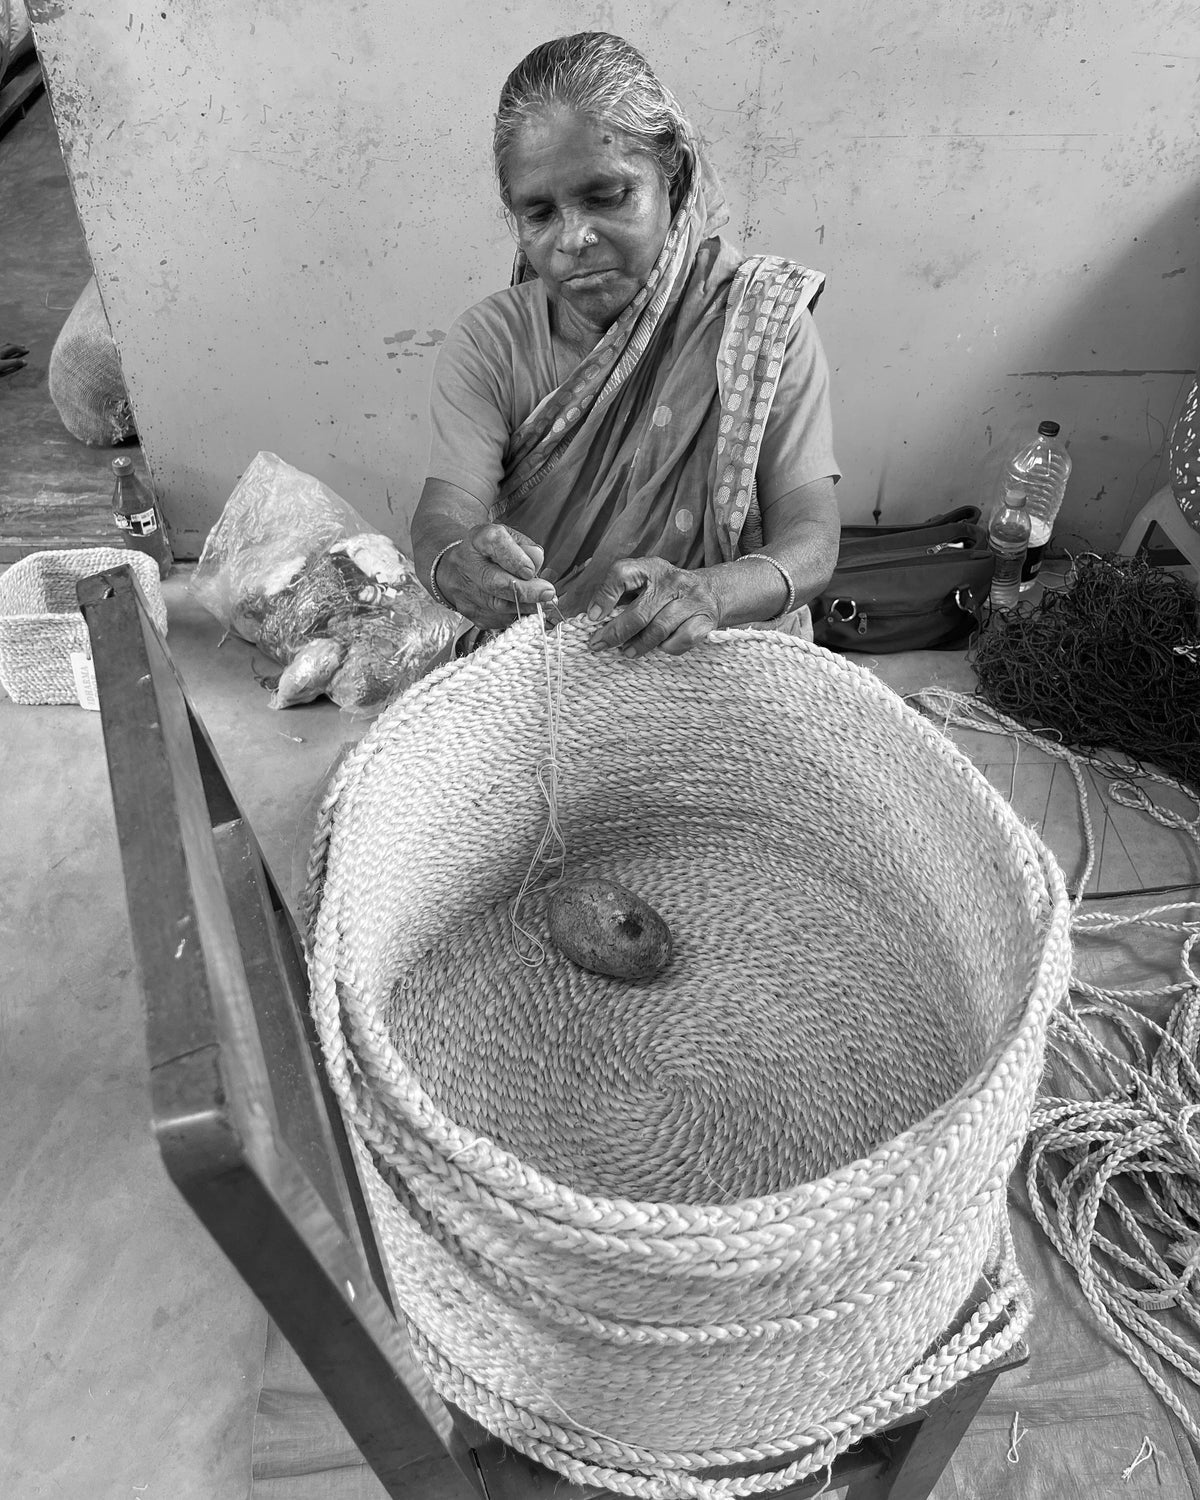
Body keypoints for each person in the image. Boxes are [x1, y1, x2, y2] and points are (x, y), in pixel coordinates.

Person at [412, 31, 840, 658]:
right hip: (546, 678)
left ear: (674, 176)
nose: (574, 238)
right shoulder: (491, 343)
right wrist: (455, 562)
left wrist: (711, 593)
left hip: (724, 663)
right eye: (539, 214)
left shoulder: (761, 327)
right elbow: (442, 518)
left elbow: (812, 537)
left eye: (607, 196)